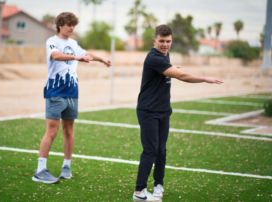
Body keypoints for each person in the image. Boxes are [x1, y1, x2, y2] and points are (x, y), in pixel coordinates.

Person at [132, 24, 223, 201]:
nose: (165, 44)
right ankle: (139, 192)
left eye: (168, 41)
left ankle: (158, 185)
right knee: (150, 150)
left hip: (164, 110)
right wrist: (204, 79)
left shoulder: (165, 56)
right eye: (161, 41)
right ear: (154, 41)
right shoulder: (153, 57)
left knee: (161, 150)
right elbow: (181, 76)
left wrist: (171, 66)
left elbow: (168, 68)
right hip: (148, 111)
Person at [32, 12, 111, 184]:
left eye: (73, 25)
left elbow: (86, 53)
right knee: (52, 131)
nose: (71, 27)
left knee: (68, 131)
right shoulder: (52, 41)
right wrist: (76, 57)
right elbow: (55, 56)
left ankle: (66, 167)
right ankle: (39, 170)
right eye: (68, 24)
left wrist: (101, 59)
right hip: (55, 91)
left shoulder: (74, 43)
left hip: (72, 92)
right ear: (60, 25)